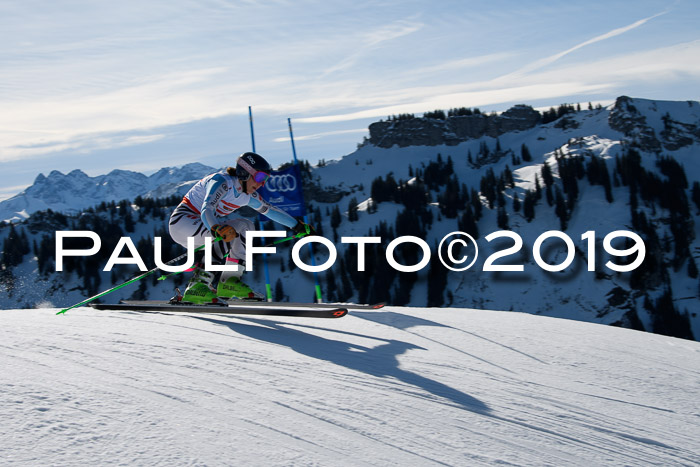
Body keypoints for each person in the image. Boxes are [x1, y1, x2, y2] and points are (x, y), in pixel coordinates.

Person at [169, 152, 314, 303]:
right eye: (259, 178)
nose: (261, 184)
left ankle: (229, 282)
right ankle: (197, 286)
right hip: (183, 222)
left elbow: (271, 210)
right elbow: (207, 209)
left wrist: (298, 226)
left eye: (265, 179)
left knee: (246, 226)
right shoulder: (221, 182)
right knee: (228, 233)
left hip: (203, 228)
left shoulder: (248, 196)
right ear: (245, 173)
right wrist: (217, 228)